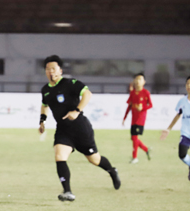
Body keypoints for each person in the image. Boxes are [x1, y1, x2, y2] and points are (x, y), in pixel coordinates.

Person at [38, 55, 121, 202]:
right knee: (59, 156)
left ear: (60, 70)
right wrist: (42, 121)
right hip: (63, 130)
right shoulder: (45, 90)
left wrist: (76, 111)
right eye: (48, 69)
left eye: (54, 69)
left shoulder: (70, 83)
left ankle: (112, 171)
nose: (51, 72)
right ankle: (67, 191)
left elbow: (87, 94)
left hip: (80, 128)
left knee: (94, 159)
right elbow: (44, 106)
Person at [123, 73, 152, 164]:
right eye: (137, 79)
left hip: (140, 119)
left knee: (135, 137)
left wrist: (142, 108)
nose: (138, 81)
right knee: (133, 138)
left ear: (144, 82)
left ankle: (135, 157)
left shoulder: (146, 93)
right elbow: (129, 106)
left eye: (140, 79)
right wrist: (124, 118)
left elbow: (150, 105)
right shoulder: (132, 93)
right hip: (133, 119)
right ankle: (146, 149)